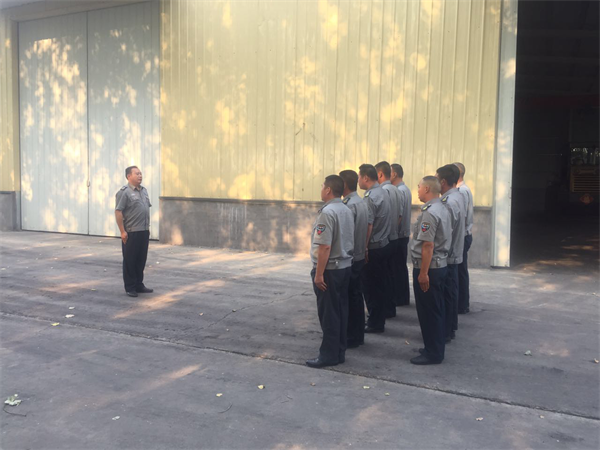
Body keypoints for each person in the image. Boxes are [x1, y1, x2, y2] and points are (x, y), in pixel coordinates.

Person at [307, 175, 354, 368]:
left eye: (322, 186)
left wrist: (319, 274)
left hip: (330, 270)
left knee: (329, 315)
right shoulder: (346, 209)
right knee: (341, 311)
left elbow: (324, 246)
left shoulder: (327, 212)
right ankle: (339, 351)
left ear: (328, 190)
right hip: (344, 267)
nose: (321, 189)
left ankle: (328, 355)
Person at [410, 176, 451, 365]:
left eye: (419, 187)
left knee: (429, 312)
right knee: (436, 309)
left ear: (426, 189)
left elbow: (427, 245)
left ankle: (433, 353)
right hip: (440, 265)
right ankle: (433, 347)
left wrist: (423, 273)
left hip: (429, 268)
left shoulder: (430, 213)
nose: (417, 190)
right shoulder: (442, 207)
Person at [358, 164, 392, 333]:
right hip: (384, 244)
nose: (358, 180)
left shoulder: (370, 197)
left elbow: (368, 224)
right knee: (380, 286)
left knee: (371, 288)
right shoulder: (384, 192)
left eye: (359, 177)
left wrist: (364, 248)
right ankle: (378, 319)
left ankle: (375, 323)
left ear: (365, 178)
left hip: (373, 248)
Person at [339, 170, 369, 349]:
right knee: (356, 296)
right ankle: (357, 335)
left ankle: (352, 336)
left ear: (344, 184)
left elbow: (346, 235)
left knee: (350, 298)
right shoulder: (361, 201)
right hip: (358, 255)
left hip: (350, 257)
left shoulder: (349, 206)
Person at [436, 164, 465, 342]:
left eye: (436, 179)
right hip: (454, 252)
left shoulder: (448, 202)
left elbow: (445, 232)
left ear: (443, 182)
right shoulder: (458, 196)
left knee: (446, 294)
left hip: (448, 255)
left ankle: (445, 331)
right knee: (451, 292)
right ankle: (451, 326)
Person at [115, 166, 153, 297]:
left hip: (143, 231)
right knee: (130, 260)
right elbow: (118, 211)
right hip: (131, 232)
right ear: (129, 176)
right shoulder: (124, 192)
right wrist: (122, 231)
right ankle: (130, 287)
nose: (140, 176)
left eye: (140, 173)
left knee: (141, 260)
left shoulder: (144, 191)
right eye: (137, 174)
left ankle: (138, 284)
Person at [375, 161, 403, 318]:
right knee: (390, 275)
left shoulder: (382, 191)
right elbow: (399, 216)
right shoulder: (396, 190)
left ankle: (384, 309)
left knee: (382, 278)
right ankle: (391, 307)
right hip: (394, 237)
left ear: (380, 174)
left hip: (384, 240)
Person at [391, 163, 412, 306]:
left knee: (397, 268)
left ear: (394, 174)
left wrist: (391, 232)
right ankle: (402, 297)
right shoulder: (404, 189)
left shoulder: (400, 191)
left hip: (399, 235)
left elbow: (398, 216)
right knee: (400, 267)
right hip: (402, 234)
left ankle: (400, 298)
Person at [454, 162, 473, 314]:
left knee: (460, 271)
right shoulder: (462, 190)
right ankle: (461, 303)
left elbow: (462, 216)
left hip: (462, 235)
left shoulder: (462, 191)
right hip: (463, 234)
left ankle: (462, 304)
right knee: (460, 270)